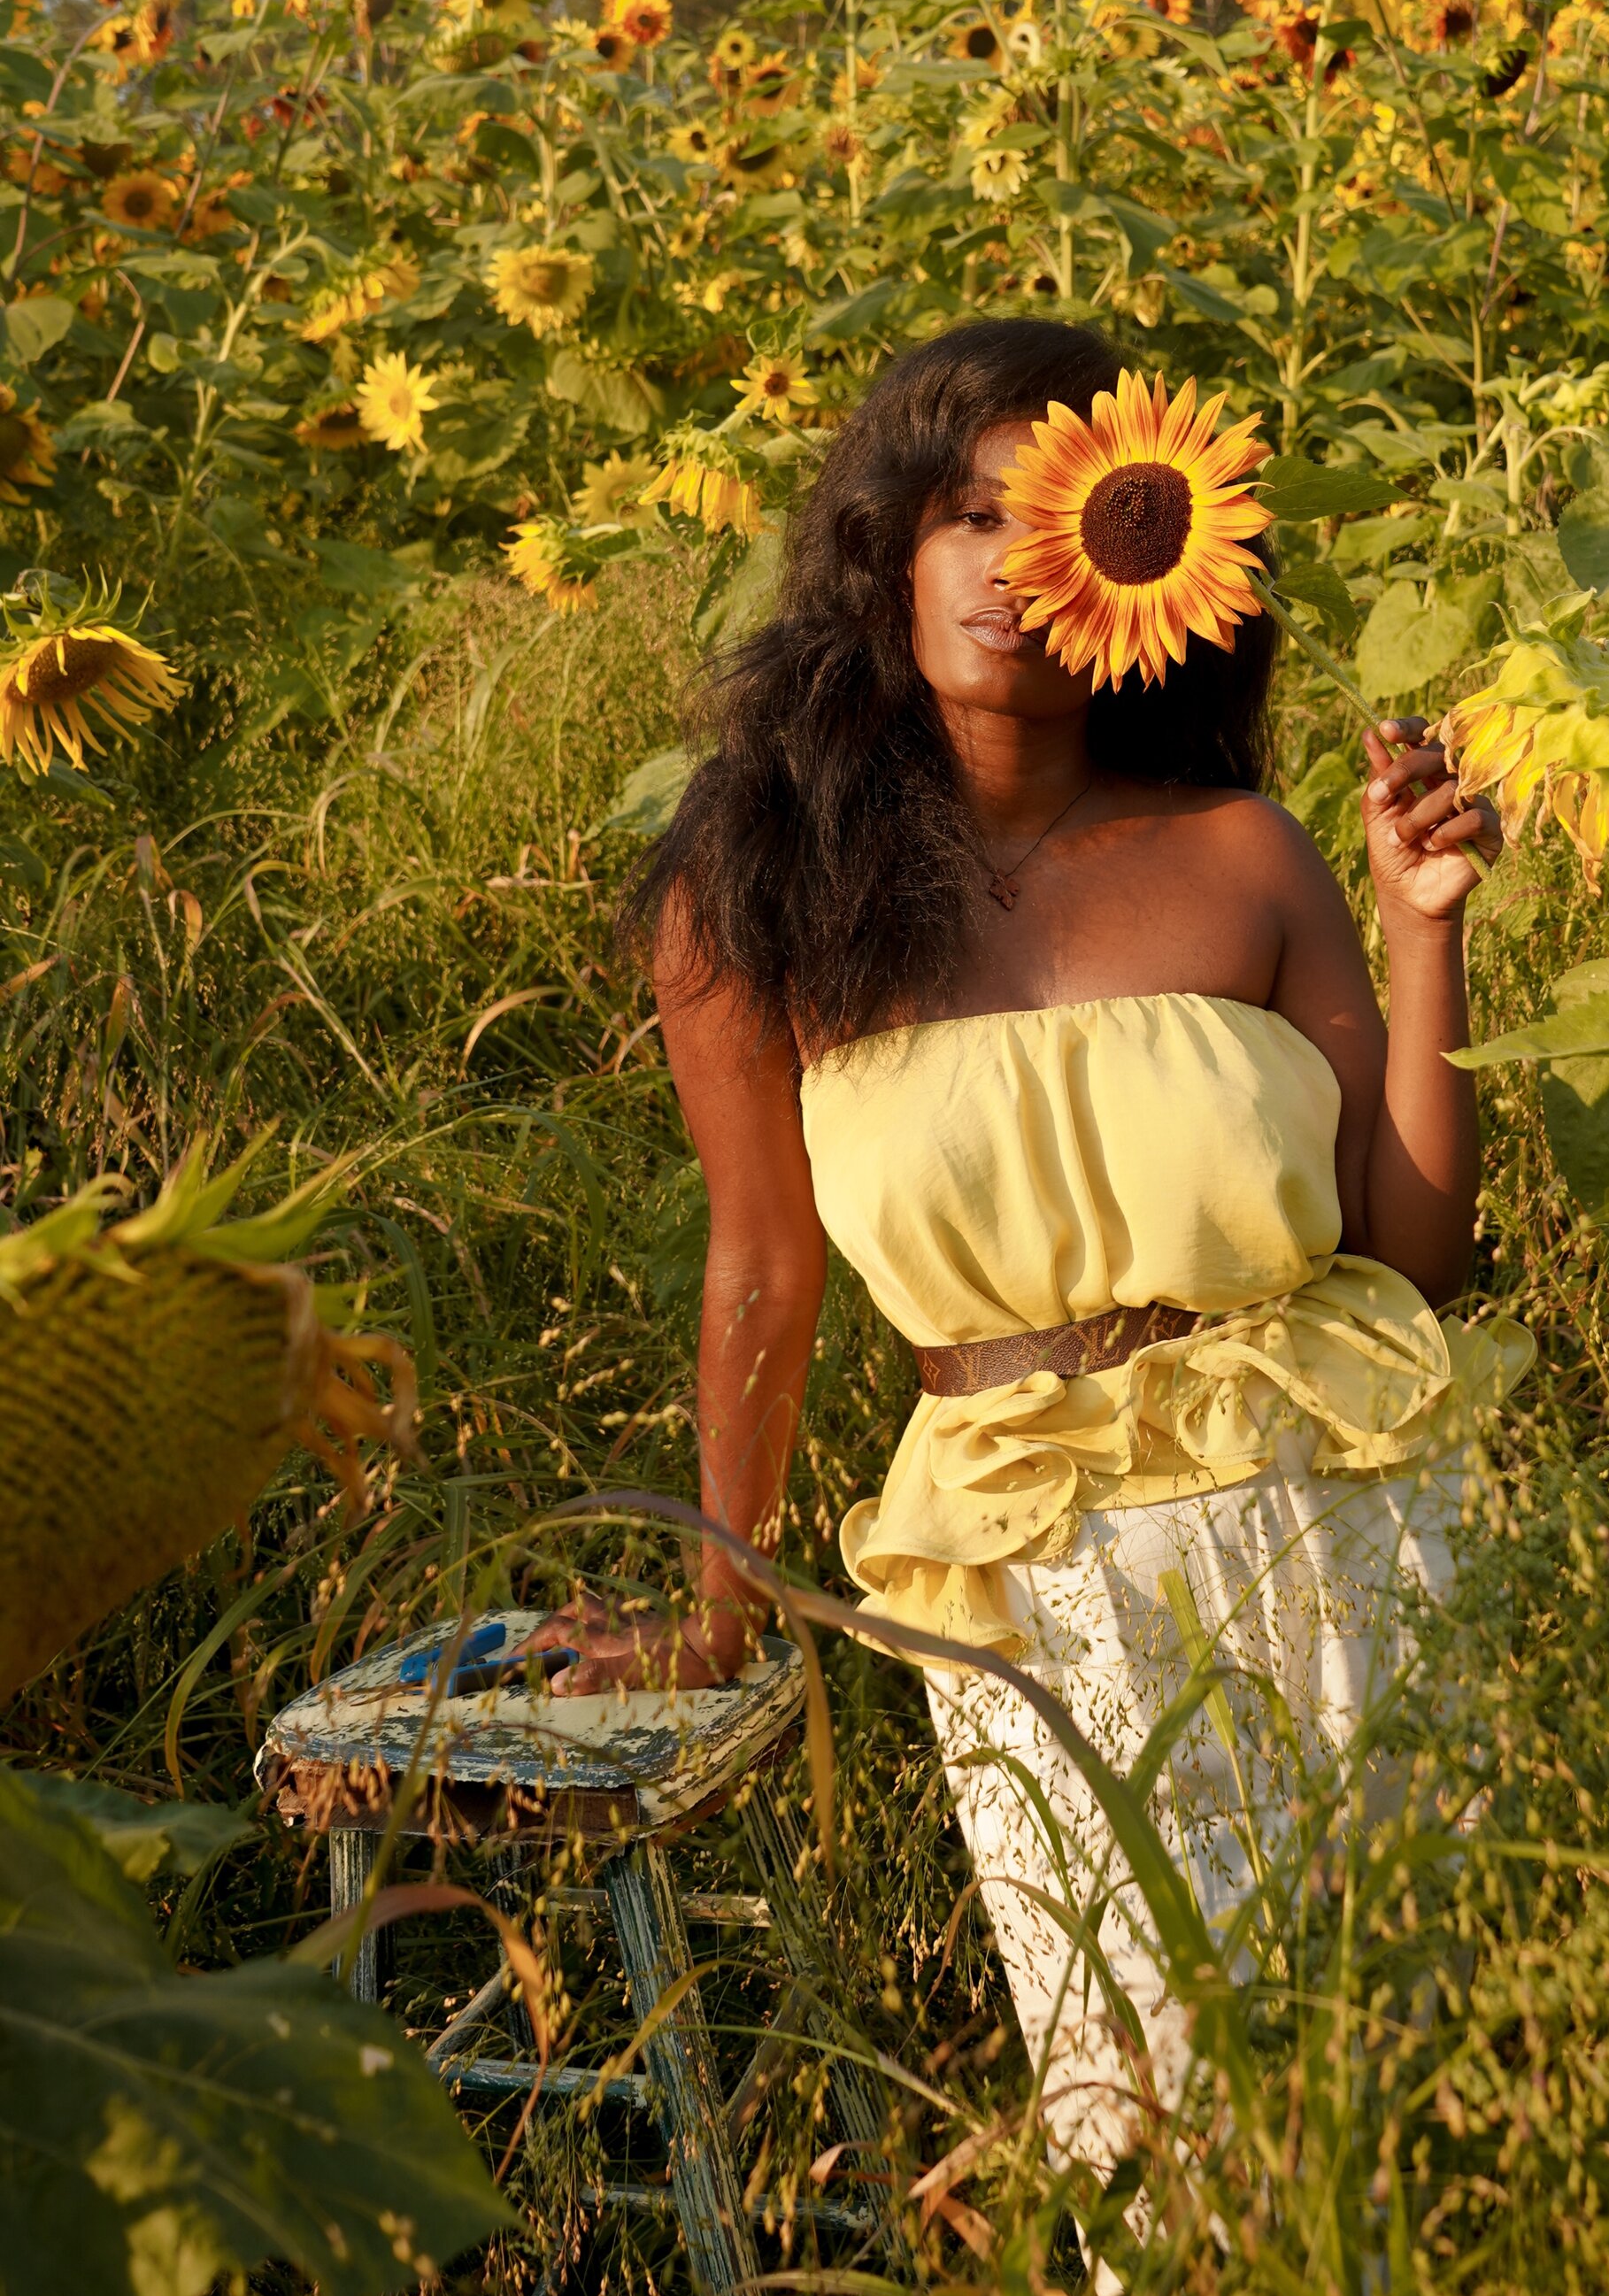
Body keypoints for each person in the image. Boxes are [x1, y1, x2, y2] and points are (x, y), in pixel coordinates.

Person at [546, 318, 1523, 2179]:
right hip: (1032, 1559)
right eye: (963, 515)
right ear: (882, 554)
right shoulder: (756, 888)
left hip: (1336, 1509)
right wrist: (720, 1597)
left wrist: (1422, 929)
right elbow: (761, 1268)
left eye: (1056, 522)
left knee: (1400, 2090)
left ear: (1141, 572)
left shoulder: (1248, 852)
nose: (1010, 568)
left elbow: (1414, 1253)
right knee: (1144, 2126)